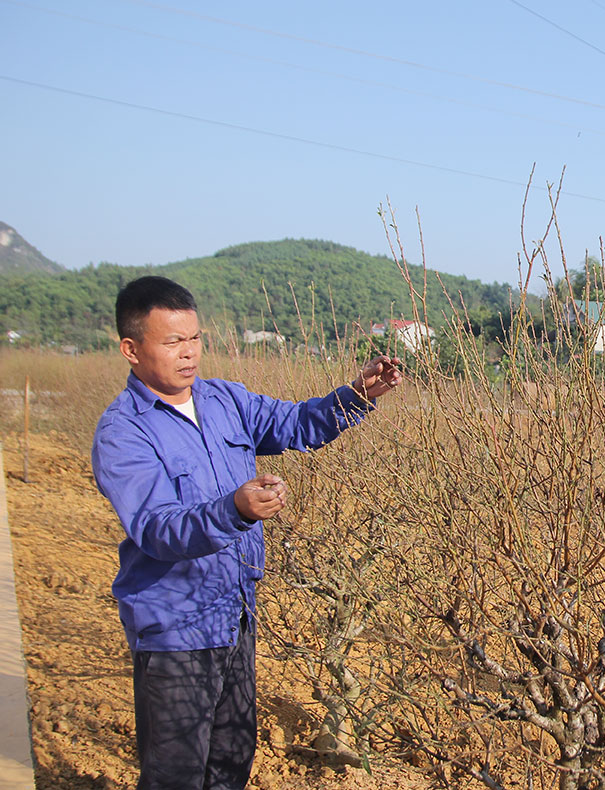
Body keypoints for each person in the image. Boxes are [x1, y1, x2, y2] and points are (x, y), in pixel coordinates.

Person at [91, 276, 401, 790]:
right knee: (176, 775)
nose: (188, 354)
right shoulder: (123, 432)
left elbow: (297, 423)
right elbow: (155, 528)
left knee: (232, 757)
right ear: (131, 349)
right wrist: (234, 509)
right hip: (174, 628)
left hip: (234, 615)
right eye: (172, 342)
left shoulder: (224, 401)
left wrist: (356, 395)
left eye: (194, 339)